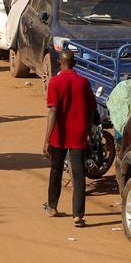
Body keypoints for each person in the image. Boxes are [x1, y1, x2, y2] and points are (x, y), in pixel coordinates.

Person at [42, 50, 95, 227]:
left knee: (56, 169)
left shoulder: (55, 82)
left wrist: (46, 138)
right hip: (79, 134)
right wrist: (87, 129)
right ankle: (78, 215)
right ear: (74, 63)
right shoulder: (83, 82)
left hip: (59, 135)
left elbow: (53, 111)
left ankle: (52, 206)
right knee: (79, 174)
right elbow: (91, 109)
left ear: (60, 63)